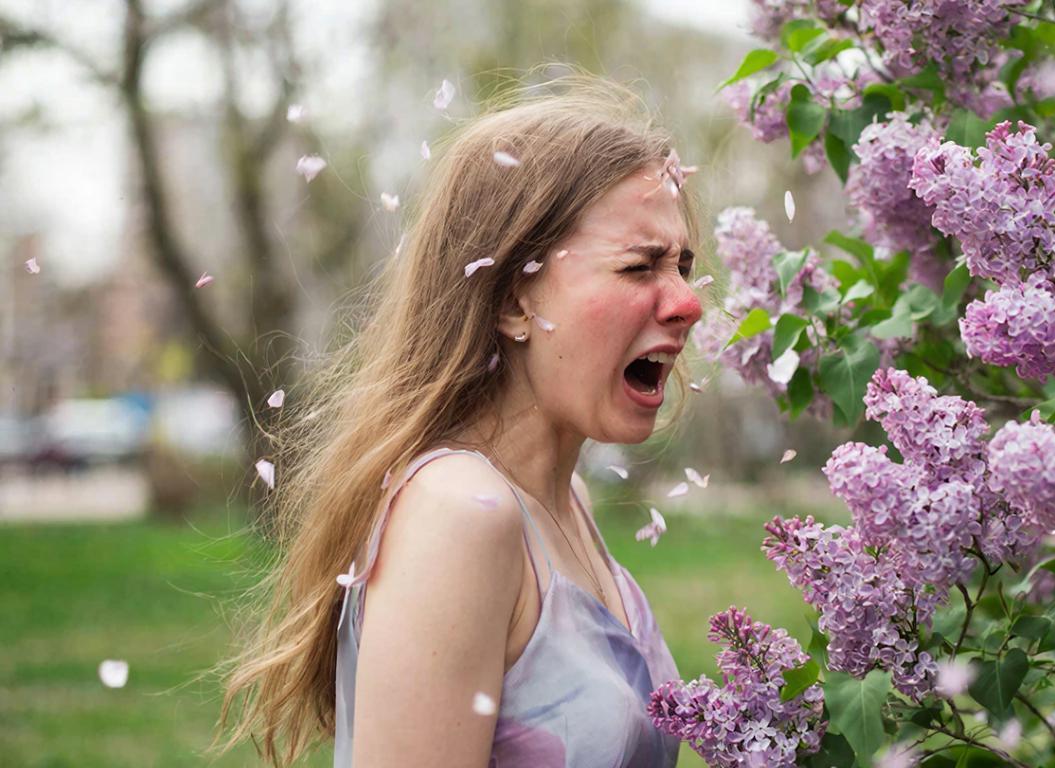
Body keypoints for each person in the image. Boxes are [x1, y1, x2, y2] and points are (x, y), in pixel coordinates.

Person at [211, 75, 704, 767]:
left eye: (683, 264)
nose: (688, 302)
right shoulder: (459, 512)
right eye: (638, 266)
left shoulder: (566, 504)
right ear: (512, 302)